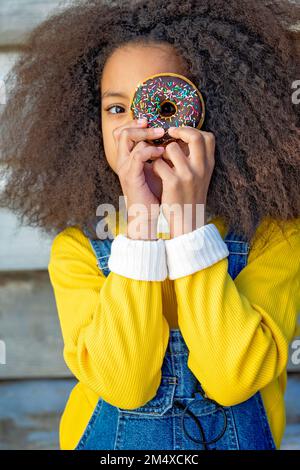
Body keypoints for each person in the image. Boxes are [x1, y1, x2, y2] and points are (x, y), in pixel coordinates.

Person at [1, 0, 299, 450]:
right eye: (116, 109)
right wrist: (140, 226)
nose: (139, 129)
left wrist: (187, 226)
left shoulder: (275, 239)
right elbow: (126, 387)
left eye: (162, 103)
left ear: (220, 111)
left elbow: (231, 378)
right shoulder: (78, 249)